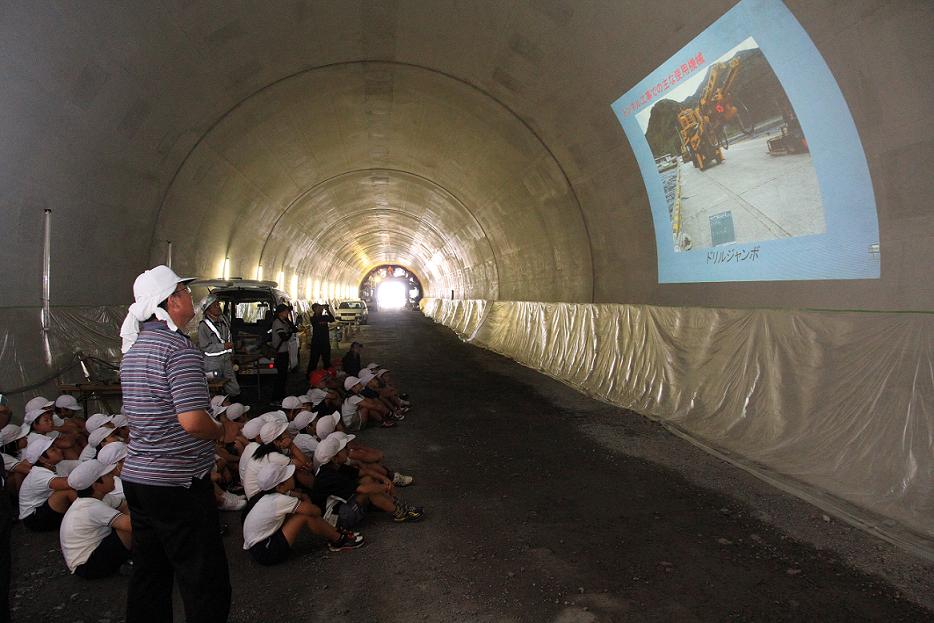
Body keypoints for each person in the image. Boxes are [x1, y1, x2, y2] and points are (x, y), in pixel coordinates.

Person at [119, 264, 239, 623]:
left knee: (150, 574)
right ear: (171, 302)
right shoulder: (179, 349)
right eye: (185, 292)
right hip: (177, 483)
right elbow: (192, 421)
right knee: (203, 578)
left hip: (139, 479)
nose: (191, 298)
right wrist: (222, 433)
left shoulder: (133, 349)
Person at [242, 463, 364, 565]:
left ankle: (335, 533)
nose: (292, 477)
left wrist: (301, 497)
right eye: (288, 477)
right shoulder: (279, 500)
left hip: (259, 548)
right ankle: (338, 540)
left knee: (300, 512)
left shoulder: (269, 497)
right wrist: (305, 499)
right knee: (304, 516)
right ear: (280, 486)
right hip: (266, 551)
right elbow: (315, 511)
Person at [59, 459, 132, 579]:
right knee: (130, 527)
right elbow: (129, 524)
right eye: (107, 475)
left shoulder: (100, 498)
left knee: (130, 519)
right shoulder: (91, 507)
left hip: (91, 555)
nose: (113, 476)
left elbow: (125, 505)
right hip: (88, 566)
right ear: (96, 485)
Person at [198, 294, 240, 398]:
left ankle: (232, 410)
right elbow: (205, 348)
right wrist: (223, 346)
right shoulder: (203, 326)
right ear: (208, 310)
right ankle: (218, 411)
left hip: (226, 360)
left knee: (234, 388)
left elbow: (229, 339)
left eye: (218, 304)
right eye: (215, 305)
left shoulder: (223, 321)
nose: (218, 306)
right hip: (212, 363)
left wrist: (231, 355)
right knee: (214, 390)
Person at [270, 303, 297, 400]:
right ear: (280, 313)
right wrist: (289, 332)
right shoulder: (277, 323)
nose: (287, 313)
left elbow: (295, 329)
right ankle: (276, 398)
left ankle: (281, 396)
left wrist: (288, 322)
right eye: (286, 311)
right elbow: (284, 337)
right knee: (279, 377)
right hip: (280, 354)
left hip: (284, 352)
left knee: (283, 377)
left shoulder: (284, 322)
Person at [306, 303, 333, 375]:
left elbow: (332, 319)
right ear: (314, 309)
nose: (320, 309)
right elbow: (316, 320)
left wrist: (328, 310)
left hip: (325, 343)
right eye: (318, 308)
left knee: (327, 361)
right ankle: (310, 376)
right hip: (316, 343)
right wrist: (319, 311)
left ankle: (327, 375)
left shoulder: (325, 317)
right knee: (313, 361)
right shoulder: (313, 318)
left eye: (320, 308)